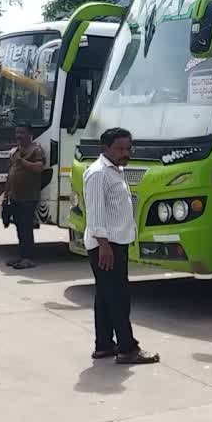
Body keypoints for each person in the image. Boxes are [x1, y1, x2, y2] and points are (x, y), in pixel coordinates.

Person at [82, 127, 158, 364]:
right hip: (107, 246)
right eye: (120, 148)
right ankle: (127, 348)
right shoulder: (98, 173)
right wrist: (104, 246)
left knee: (106, 296)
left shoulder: (116, 170)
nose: (125, 153)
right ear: (106, 148)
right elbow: (95, 214)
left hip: (115, 242)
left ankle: (104, 344)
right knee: (118, 298)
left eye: (128, 148)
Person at [6, 122, 45, 269]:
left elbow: (39, 168)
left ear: (30, 134)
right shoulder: (16, 151)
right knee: (19, 227)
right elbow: (11, 173)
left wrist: (22, 162)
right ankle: (22, 255)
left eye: (22, 133)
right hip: (15, 196)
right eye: (17, 133)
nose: (19, 136)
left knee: (26, 227)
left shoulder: (36, 150)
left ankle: (28, 258)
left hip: (29, 197)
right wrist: (6, 193)